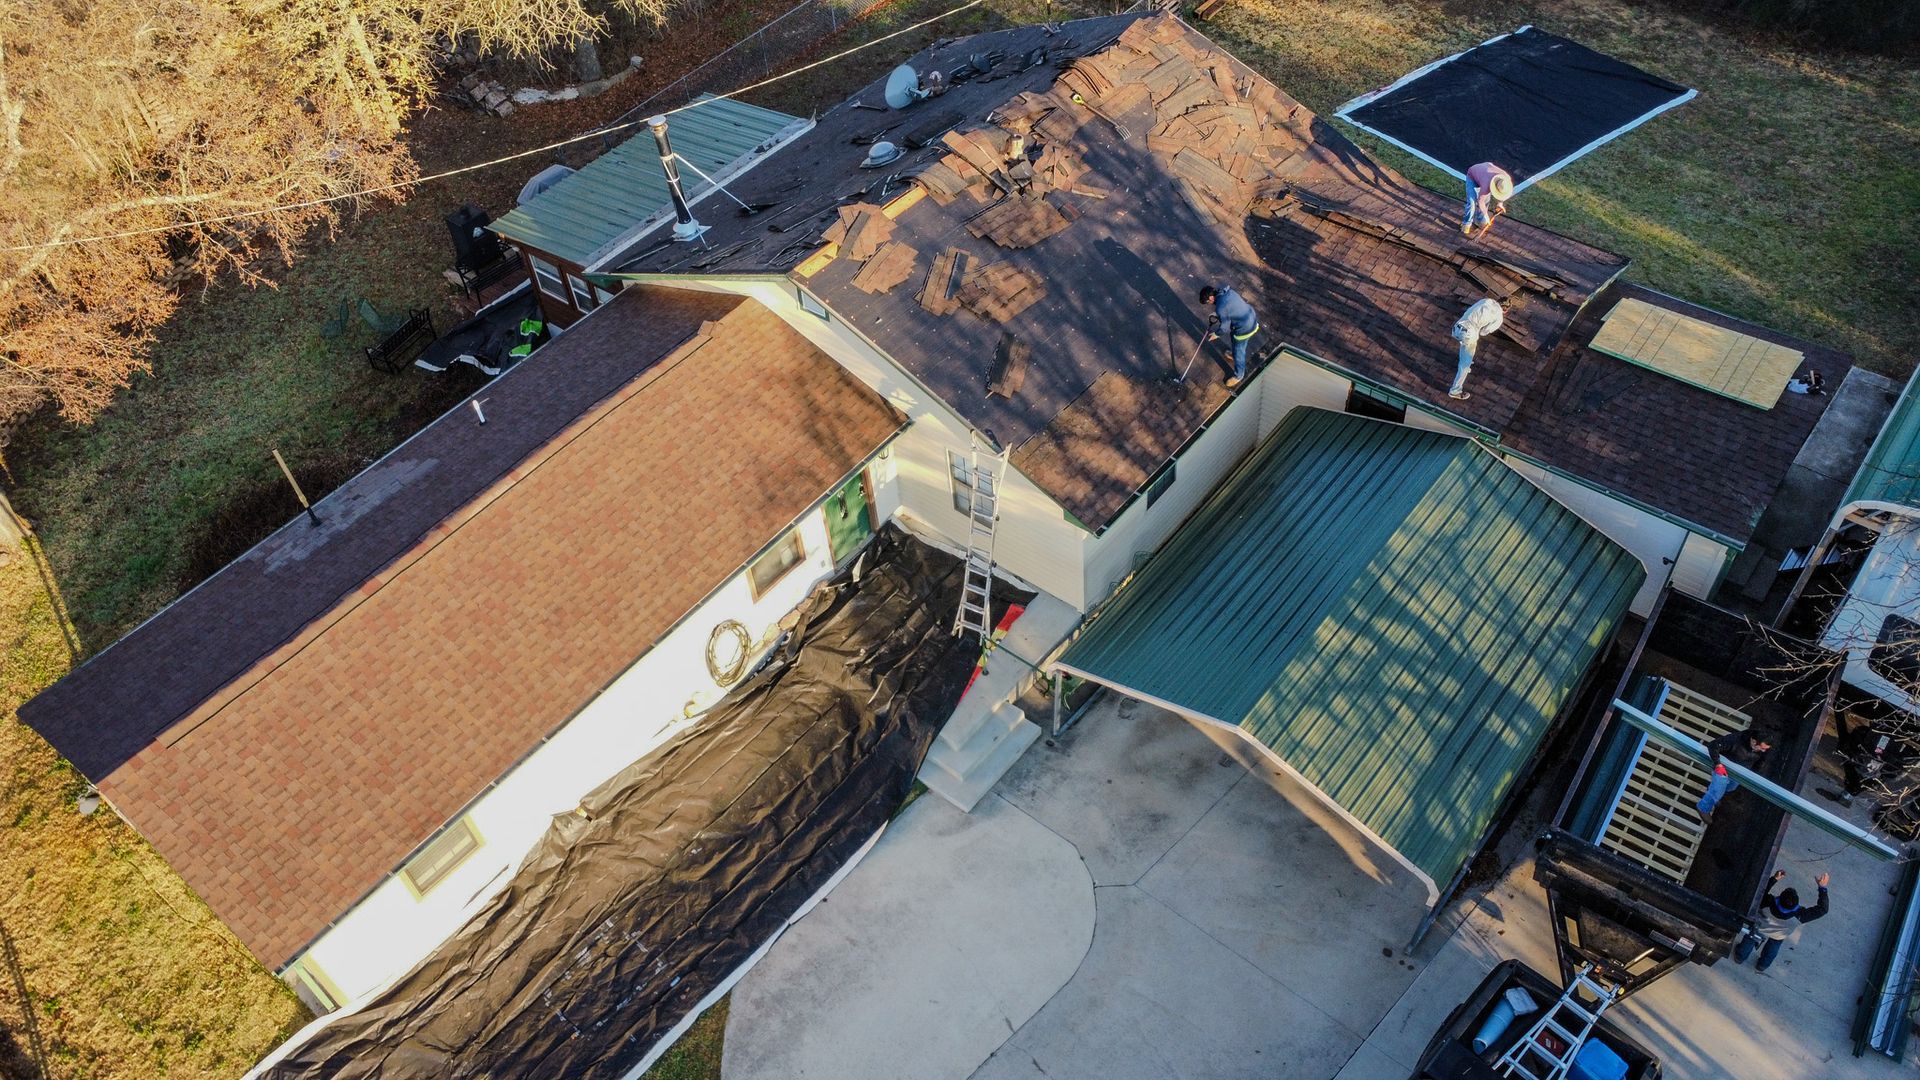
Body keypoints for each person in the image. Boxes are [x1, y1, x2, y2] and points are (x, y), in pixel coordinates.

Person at [1735, 869, 1830, 972]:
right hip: (1779, 934)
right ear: (1796, 904)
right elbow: (1823, 909)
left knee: (1750, 939)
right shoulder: (1800, 915)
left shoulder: (1768, 902)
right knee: (1773, 947)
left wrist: (1774, 879)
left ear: (1779, 898)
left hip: (1760, 927)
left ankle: (1740, 956)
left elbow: (1761, 889)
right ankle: (1762, 965)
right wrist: (1822, 888)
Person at [1696, 726, 1773, 822]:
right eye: (1761, 748)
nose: (1763, 751)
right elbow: (1713, 745)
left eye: (1765, 749)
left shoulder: (1763, 749)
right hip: (1723, 767)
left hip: (1739, 771)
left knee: (1731, 787)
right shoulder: (1735, 740)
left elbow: (1760, 761)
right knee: (1718, 788)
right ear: (1753, 741)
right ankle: (1703, 807)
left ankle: (1714, 794)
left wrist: (1753, 772)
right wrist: (1718, 764)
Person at [1199, 285, 1260, 388]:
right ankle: (1234, 355)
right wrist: (1219, 314)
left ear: (1211, 298)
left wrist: (1216, 334)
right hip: (1250, 317)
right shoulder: (1227, 292)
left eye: (1208, 302)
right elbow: (1229, 307)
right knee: (1234, 337)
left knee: (1239, 350)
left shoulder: (1221, 308)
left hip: (1244, 328)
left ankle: (1239, 375)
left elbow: (1225, 327)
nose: (1209, 304)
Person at [1448, 298, 1504, 401]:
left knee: (1465, 348)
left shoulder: (1486, 300)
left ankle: (1466, 361)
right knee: (1464, 364)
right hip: (1469, 334)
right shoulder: (1499, 317)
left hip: (1457, 328)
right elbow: (1483, 332)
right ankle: (1455, 391)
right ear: (1506, 310)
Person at [1463, 162, 1513, 237]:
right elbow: (1480, 202)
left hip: (1484, 173)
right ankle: (1466, 224)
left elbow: (1502, 192)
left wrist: (1500, 203)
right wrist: (1486, 216)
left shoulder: (1506, 179)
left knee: (1486, 201)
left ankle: (1480, 221)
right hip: (1472, 176)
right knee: (1472, 202)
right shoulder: (1486, 185)